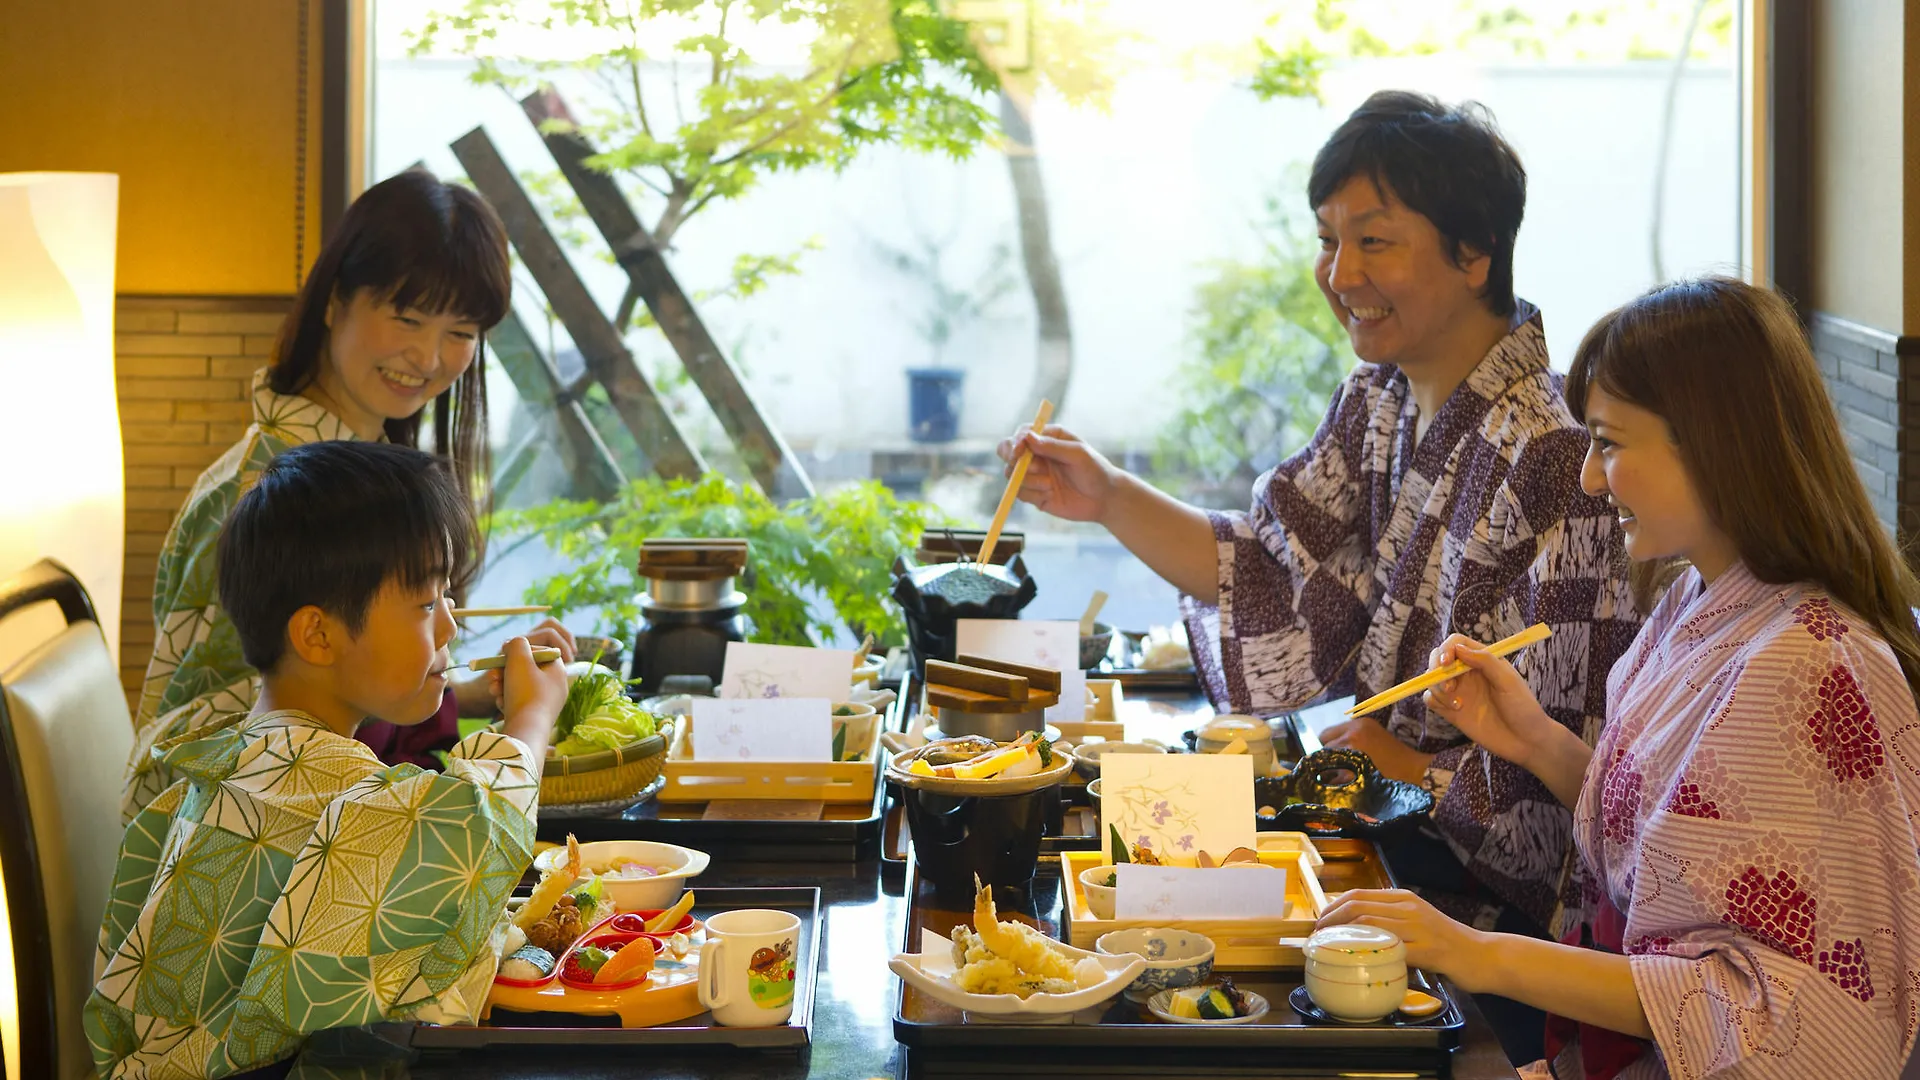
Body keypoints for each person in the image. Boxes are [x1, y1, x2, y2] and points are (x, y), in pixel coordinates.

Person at [998, 90, 1640, 1058]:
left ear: (1475, 254)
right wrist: (1108, 496)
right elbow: (1264, 562)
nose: (1340, 274)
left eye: (1374, 241)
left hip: (1493, 940)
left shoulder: (1555, 455)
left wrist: (1410, 774)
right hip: (1387, 847)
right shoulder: (1378, 402)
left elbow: (1569, 788)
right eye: (1328, 240)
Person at [1316, 276, 1920, 1079]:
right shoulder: (1695, 600)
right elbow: (1666, 840)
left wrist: (1474, 953)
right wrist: (1530, 738)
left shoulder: (1811, 666)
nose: (1592, 482)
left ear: (1714, 441)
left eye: (1609, 444)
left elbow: (1769, 1007)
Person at [88, 441, 569, 1079]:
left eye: (447, 598)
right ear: (317, 635)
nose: (451, 627)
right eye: (427, 603)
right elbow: (468, 831)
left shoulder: (240, 760)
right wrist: (531, 721)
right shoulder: (312, 784)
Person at [126, 168, 575, 816]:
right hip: (246, 881)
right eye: (408, 317)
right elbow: (204, 747)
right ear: (336, 299)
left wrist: (460, 689)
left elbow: (315, 689)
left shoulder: (351, 468)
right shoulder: (269, 492)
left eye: (460, 332)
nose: (427, 357)